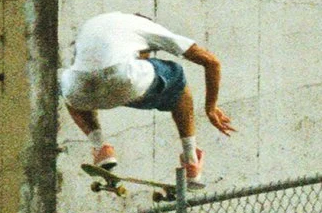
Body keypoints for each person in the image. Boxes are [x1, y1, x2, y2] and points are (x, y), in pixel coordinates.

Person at [59, 11, 235, 186]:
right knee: (176, 75)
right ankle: (191, 162)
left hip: (78, 90)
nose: (147, 57)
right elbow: (211, 62)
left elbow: (94, 74)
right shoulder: (147, 26)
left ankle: (100, 148)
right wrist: (210, 108)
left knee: (68, 85)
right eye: (148, 52)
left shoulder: (98, 23)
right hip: (125, 79)